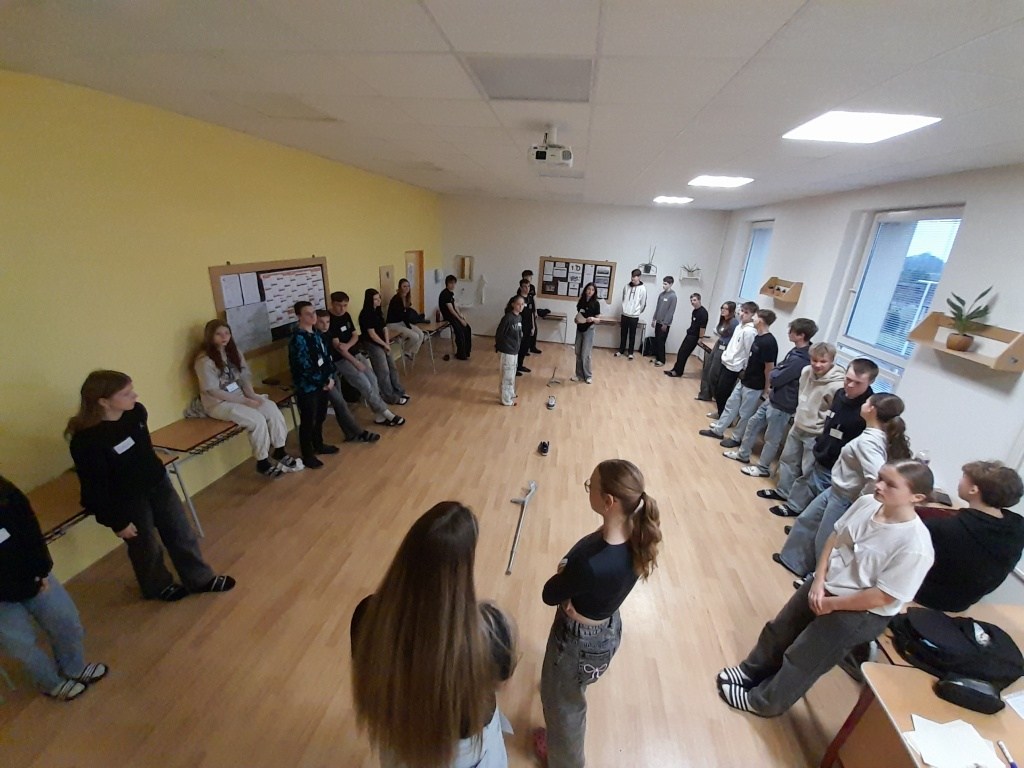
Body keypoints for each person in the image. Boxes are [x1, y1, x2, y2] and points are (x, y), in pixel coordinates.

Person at [718, 460, 935, 717]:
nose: (878, 486)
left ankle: (764, 702)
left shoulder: (915, 546)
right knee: (780, 630)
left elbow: (882, 596)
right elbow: (834, 538)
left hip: (859, 611)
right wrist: (818, 581)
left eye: (891, 485)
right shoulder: (867, 503)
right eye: (880, 478)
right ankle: (751, 671)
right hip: (825, 585)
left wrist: (832, 604)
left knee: (804, 658)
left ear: (916, 497)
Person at [351, 502, 517, 768]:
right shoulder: (493, 629)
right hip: (468, 756)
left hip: (401, 744)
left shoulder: (367, 616)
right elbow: (500, 684)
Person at [536, 459, 663, 768]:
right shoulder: (635, 532)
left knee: (564, 707)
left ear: (608, 502)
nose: (588, 488)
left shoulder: (591, 564)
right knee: (571, 692)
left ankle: (565, 761)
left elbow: (549, 594)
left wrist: (565, 572)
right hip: (607, 629)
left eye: (590, 486)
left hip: (575, 644)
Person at [67, 370, 235, 601]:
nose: (134, 396)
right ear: (103, 401)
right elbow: (94, 488)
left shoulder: (136, 413)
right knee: (145, 545)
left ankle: (200, 578)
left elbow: (143, 451)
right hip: (127, 498)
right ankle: (157, 586)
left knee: (181, 532)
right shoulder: (86, 441)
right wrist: (117, 522)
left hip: (158, 483)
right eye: (126, 393)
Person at [775, 393, 912, 578]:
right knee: (807, 520)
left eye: (866, 402)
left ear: (871, 410)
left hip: (845, 496)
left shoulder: (868, 442)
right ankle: (793, 561)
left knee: (827, 540)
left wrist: (860, 501)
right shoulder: (874, 434)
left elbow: (876, 476)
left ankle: (817, 579)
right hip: (836, 489)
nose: (863, 404)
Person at [0, 475, 108, 701]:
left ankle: (74, 668)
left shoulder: (6, 493)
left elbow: (29, 527)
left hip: (33, 576)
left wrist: (40, 570)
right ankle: (51, 683)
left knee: (66, 621)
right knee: (21, 646)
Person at [766, 359, 877, 518]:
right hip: (823, 450)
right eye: (848, 379)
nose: (850, 385)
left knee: (821, 500)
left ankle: (806, 521)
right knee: (807, 480)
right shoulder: (839, 394)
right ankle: (795, 508)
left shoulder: (868, 410)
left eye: (858, 383)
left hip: (839, 464)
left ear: (870, 382)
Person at [194, 320, 303, 477]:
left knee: (271, 408)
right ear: (210, 336)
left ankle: (279, 450)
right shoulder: (204, 361)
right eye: (218, 334)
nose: (224, 337)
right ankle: (262, 462)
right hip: (219, 403)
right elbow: (213, 391)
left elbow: (244, 376)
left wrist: (251, 395)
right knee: (257, 420)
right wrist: (244, 401)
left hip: (240, 395)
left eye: (227, 333)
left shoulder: (233, 352)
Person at [916, 461, 1024, 611]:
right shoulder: (1017, 528)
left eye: (964, 477)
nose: (960, 480)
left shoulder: (944, 528)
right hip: (965, 601)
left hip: (927, 598)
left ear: (973, 489)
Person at [726, 318, 816, 472]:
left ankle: (762, 468)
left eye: (792, 331)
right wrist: (777, 371)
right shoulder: (796, 352)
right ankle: (743, 454)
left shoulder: (801, 359)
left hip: (783, 403)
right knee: (753, 423)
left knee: (772, 438)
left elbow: (776, 377)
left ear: (801, 335)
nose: (788, 333)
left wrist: (775, 373)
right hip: (774, 398)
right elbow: (778, 369)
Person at [756, 343, 844, 493]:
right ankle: (783, 492)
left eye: (823, 361)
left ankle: (796, 501)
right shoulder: (806, 371)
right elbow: (802, 395)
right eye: (814, 360)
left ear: (832, 361)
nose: (817, 365)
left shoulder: (838, 385)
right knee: (787, 460)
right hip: (798, 424)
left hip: (815, 433)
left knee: (807, 469)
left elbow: (834, 413)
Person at [325, 292, 405, 429]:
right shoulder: (328, 320)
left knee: (373, 380)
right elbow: (338, 348)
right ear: (332, 303)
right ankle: (386, 412)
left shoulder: (346, 315)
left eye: (345, 305)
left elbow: (355, 336)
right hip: (341, 360)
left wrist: (348, 346)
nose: (342, 309)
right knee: (365, 385)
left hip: (354, 353)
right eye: (339, 305)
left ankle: (379, 416)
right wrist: (356, 362)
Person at [699, 309, 777, 447]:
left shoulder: (769, 342)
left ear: (761, 320)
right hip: (745, 379)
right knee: (731, 404)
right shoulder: (758, 337)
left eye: (755, 316)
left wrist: (767, 387)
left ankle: (736, 438)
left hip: (755, 384)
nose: (753, 318)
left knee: (745, 413)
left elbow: (769, 367)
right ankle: (718, 430)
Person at [314, 311, 381, 445]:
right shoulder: (313, 338)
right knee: (339, 404)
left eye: (327, 322)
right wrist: (326, 379)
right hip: (322, 378)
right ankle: (359, 433)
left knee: (340, 404)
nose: (325, 325)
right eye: (321, 322)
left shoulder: (327, 335)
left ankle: (350, 434)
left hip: (331, 373)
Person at [288, 301, 338, 469]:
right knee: (308, 420)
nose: (313, 316)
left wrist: (329, 377)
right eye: (308, 314)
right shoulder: (298, 339)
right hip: (308, 386)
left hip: (323, 383)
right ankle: (307, 454)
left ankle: (319, 444)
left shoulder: (316, 334)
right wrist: (323, 381)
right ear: (299, 316)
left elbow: (326, 357)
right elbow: (304, 367)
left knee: (320, 416)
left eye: (313, 312)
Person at [359, 288, 410, 406]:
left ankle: (399, 391)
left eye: (379, 298)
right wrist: (384, 345)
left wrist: (387, 343)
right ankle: (389, 396)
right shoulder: (365, 314)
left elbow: (384, 328)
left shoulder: (378, 311)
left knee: (392, 367)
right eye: (375, 299)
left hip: (383, 342)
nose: (378, 301)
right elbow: (372, 334)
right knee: (383, 371)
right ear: (369, 301)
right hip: (372, 343)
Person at [711, 301, 758, 419]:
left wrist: (744, 368)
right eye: (741, 311)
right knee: (718, 390)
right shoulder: (739, 326)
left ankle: (724, 418)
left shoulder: (750, 331)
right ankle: (720, 413)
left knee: (723, 392)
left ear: (753, 315)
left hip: (734, 366)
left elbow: (748, 352)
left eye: (746, 312)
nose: (742, 314)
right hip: (726, 361)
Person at [696, 302, 738, 400]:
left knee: (714, 372)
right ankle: (705, 394)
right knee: (707, 369)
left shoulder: (734, 323)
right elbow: (719, 332)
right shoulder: (723, 320)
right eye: (722, 308)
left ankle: (714, 395)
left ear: (731, 311)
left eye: (726, 309)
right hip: (719, 344)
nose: (723, 310)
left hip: (725, 348)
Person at [664, 291, 706, 377]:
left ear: (699, 300)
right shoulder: (695, 311)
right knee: (681, 352)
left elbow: (703, 327)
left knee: (683, 354)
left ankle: (678, 372)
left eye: (694, 300)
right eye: (691, 300)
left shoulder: (703, 313)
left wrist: (700, 338)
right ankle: (675, 369)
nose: (692, 302)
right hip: (690, 334)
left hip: (694, 337)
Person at [386, 278, 425, 361]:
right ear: (400, 287)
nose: (407, 288)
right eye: (404, 286)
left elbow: (406, 314)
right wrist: (409, 326)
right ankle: (406, 351)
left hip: (402, 322)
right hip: (393, 324)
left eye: (408, 286)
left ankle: (410, 352)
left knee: (421, 334)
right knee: (415, 336)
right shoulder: (396, 299)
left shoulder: (407, 298)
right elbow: (401, 315)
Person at [495, 295, 524, 406]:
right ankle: (506, 400)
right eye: (518, 304)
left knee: (512, 373)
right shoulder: (508, 318)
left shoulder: (519, 318)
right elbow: (499, 333)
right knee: (507, 375)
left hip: (515, 350)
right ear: (513, 304)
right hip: (507, 350)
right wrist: (500, 346)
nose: (521, 306)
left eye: (522, 304)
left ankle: (510, 393)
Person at [572, 282, 601, 384]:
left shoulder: (596, 303)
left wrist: (592, 318)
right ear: (585, 290)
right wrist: (576, 320)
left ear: (594, 292)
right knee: (578, 352)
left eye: (592, 290)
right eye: (589, 289)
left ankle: (588, 376)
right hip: (580, 328)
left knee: (586, 354)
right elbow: (579, 314)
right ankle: (579, 375)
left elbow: (598, 319)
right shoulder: (581, 301)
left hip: (589, 329)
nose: (590, 291)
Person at [615, 269, 647, 360]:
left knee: (632, 335)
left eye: (635, 277)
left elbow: (643, 303)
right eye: (632, 277)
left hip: (634, 316)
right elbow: (623, 298)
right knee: (623, 334)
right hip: (625, 314)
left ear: (639, 277)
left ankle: (630, 353)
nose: (633, 279)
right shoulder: (626, 287)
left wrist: (637, 312)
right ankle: (621, 350)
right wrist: (625, 308)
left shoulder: (643, 289)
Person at [439, 275, 472, 360]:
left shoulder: (450, 293)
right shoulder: (445, 294)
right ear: (447, 284)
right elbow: (451, 310)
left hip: (453, 316)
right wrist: (460, 320)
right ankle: (461, 354)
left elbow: (455, 306)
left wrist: (461, 315)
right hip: (449, 317)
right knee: (460, 332)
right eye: (451, 283)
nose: (453, 285)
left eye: (454, 283)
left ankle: (466, 352)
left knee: (467, 328)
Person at [648, 277, 678, 367]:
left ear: (671, 284)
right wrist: (654, 319)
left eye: (666, 284)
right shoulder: (661, 295)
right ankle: (657, 358)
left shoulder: (673, 296)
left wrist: (666, 323)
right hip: (658, 321)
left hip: (665, 323)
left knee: (661, 341)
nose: (663, 285)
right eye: (663, 283)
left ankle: (662, 360)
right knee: (657, 340)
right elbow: (657, 307)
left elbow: (671, 311)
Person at [515, 279, 536, 375]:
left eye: (528, 286)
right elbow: (515, 314)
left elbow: (532, 313)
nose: (527, 288)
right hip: (520, 326)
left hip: (528, 326)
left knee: (525, 347)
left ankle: (520, 365)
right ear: (521, 287)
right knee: (518, 348)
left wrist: (533, 326)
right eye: (525, 286)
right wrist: (518, 328)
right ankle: (514, 368)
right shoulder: (517, 299)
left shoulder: (530, 299)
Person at [523, 269, 542, 354]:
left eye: (530, 277)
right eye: (528, 277)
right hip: (525, 311)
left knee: (534, 329)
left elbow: (533, 299)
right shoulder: (521, 287)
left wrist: (535, 311)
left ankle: (532, 347)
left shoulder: (532, 287)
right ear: (524, 277)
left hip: (532, 310)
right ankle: (524, 349)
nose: (530, 278)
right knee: (526, 331)